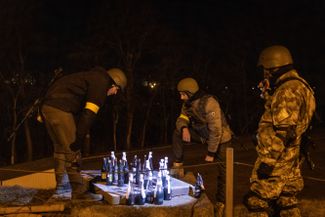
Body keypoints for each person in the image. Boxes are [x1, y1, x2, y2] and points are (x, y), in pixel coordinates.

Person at [243, 45, 316, 217]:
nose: (264, 74)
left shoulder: (287, 91)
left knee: (256, 202)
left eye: (265, 70)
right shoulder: (301, 87)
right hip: (291, 158)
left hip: (277, 159)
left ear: (273, 67)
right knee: (286, 202)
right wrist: (268, 95)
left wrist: (267, 162)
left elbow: (283, 132)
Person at [41, 67, 127, 201]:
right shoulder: (101, 83)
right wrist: (79, 137)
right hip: (61, 109)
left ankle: (62, 188)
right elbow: (89, 114)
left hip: (48, 107)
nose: (115, 93)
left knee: (60, 149)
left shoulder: (90, 77)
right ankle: (79, 192)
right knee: (72, 150)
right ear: (114, 83)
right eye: (117, 89)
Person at [172, 77, 233, 216]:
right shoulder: (187, 104)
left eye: (183, 94)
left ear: (190, 93)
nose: (181, 97)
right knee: (176, 133)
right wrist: (184, 128)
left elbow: (216, 131)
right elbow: (182, 118)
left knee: (224, 174)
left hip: (221, 140)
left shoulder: (209, 103)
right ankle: (177, 165)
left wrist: (211, 153)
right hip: (203, 136)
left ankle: (221, 203)